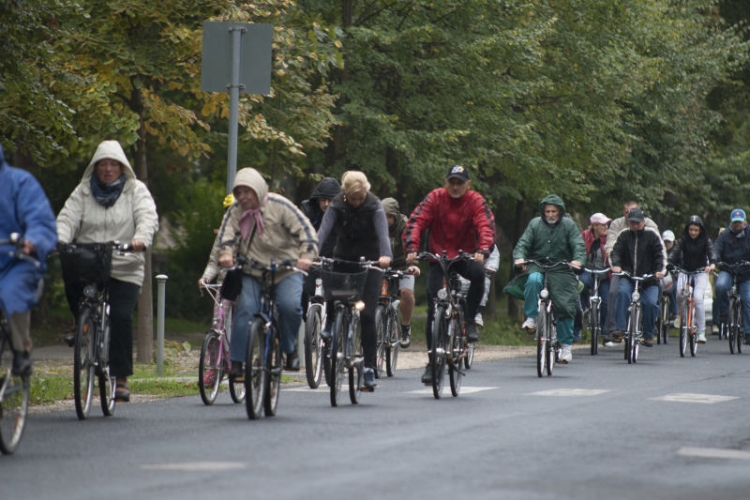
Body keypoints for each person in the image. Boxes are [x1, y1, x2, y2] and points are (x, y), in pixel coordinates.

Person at [57, 140, 159, 401]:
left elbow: (148, 218)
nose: (108, 169)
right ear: (95, 166)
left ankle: (121, 377)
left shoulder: (136, 191)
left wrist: (140, 239)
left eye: (113, 164)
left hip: (125, 263)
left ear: (123, 167)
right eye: (103, 164)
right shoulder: (83, 191)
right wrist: (59, 239)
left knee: (122, 316)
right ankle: (83, 324)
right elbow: (67, 219)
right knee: (70, 274)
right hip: (90, 260)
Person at [218, 167, 318, 376]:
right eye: (239, 192)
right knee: (245, 309)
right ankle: (236, 361)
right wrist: (226, 254)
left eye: (247, 191)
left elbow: (305, 230)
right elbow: (226, 235)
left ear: (259, 189)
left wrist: (306, 256)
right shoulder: (235, 211)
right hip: (253, 270)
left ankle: (289, 350)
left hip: (286, 269)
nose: (243, 197)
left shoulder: (279, 205)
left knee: (290, 306)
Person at [405, 164, 495, 383]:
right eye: (452, 182)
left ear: (468, 184)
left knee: (479, 274)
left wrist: (483, 250)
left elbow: (486, 226)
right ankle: (431, 362)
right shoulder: (435, 197)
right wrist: (412, 248)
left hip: (465, 256)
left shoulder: (475, 201)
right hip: (439, 257)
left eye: (460, 183)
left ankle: (470, 318)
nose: (455, 187)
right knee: (433, 306)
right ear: (446, 183)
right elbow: (417, 221)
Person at [316, 171, 392, 390]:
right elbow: (324, 231)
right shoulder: (337, 204)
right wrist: (313, 250)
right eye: (353, 198)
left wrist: (385, 255)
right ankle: (331, 321)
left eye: (360, 198)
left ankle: (369, 368)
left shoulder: (374, 205)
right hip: (344, 255)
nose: (357, 203)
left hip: (372, 260)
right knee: (333, 282)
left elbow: (383, 233)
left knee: (367, 314)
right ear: (345, 194)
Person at [0, 144, 58, 375]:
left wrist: (32, 240)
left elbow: (40, 218)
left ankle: (21, 348)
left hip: (18, 260)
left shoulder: (20, 182)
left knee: (10, 292)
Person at [512, 195, 586, 364]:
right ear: (543, 212)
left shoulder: (568, 225)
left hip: (562, 268)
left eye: (554, 211)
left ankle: (566, 346)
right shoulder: (535, 224)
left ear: (560, 211)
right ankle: (531, 317)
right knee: (532, 280)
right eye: (547, 211)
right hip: (537, 264)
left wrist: (578, 261)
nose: (551, 214)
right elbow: (523, 243)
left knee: (565, 304)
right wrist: (520, 257)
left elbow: (578, 245)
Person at [603, 201, 662, 338]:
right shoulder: (622, 232)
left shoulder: (651, 233)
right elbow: (614, 249)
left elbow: (659, 253)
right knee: (619, 292)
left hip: (648, 275)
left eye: (638, 222)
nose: (635, 226)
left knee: (652, 302)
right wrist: (615, 264)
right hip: (627, 273)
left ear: (643, 221)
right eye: (631, 221)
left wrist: (659, 271)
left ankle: (649, 331)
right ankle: (618, 328)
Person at [667, 216, 717, 344]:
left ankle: (701, 331)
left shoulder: (705, 240)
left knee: (698, 298)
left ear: (700, 230)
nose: (693, 232)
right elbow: (675, 252)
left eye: (696, 230)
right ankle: (680, 314)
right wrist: (670, 263)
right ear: (687, 229)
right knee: (679, 293)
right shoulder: (683, 240)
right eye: (691, 229)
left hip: (700, 272)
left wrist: (712, 264)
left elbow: (711, 252)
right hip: (685, 271)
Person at [381, 197, 421, 348]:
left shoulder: (404, 225)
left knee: (406, 292)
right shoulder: (376, 225)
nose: (386, 220)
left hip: (403, 265)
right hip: (382, 265)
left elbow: (411, 244)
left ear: (395, 216)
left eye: (389, 216)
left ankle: (405, 326)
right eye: (383, 216)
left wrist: (413, 265)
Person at [713, 208, 750, 344]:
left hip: (746, 272)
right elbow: (716, 248)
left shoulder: (749, 234)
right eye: (735, 222)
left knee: (747, 299)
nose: (737, 225)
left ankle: (748, 331)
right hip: (728, 269)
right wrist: (715, 259)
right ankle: (724, 314)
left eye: (739, 222)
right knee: (721, 286)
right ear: (731, 222)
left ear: (745, 222)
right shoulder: (724, 235)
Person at [577, 212, 612, 345]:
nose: (606, 227)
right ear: (595, 226)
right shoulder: (584, 236)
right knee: (582, 283)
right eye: (603, 225)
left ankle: (605, 332)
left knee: (607, 301)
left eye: (606, 224)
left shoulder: (610, 238)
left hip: (604, 273)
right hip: (588, 270)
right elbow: (578, 251)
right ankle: (584, 306)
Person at [198, 193, 235, 287]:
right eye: (227, 211)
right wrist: (205, 278)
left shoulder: (251, 233)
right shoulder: (221, 234)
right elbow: (214, 262)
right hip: (224, 286)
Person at [300, 177, 341, 256]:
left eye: (330, 200)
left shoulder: (343, 214)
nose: (326, 204)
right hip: (311, 256)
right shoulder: (308, 211)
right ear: (317, 200)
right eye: (323, 200)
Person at [661, 230, 678, 322]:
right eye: (665, 242)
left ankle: (674, 312)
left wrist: (676, 269)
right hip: (661, 275)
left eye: (669, 242)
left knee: (674, 288)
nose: (667, 244)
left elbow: (681, 262)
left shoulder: (678, 251)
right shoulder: (659, 250)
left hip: (673, 275)